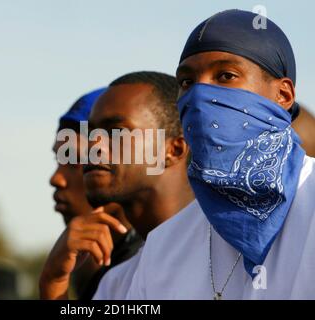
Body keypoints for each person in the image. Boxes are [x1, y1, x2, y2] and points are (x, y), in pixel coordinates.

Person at [126, 9, 315, 299]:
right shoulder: (163, 246)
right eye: (187, 82)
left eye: (226, 76)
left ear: (283, 96)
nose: (200, 95)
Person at [81, 71, 194, 299]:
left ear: (174, 149)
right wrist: (53, 283)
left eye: (117, 131)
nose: (94, 146)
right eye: (92, 133)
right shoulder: (115, 283)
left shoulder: (232, 255)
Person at [40, 88, 143, 300]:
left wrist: (53, 282)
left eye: (74, 160)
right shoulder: (92, 265)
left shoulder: (156, 264)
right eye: (58, 161)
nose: (56, 178)